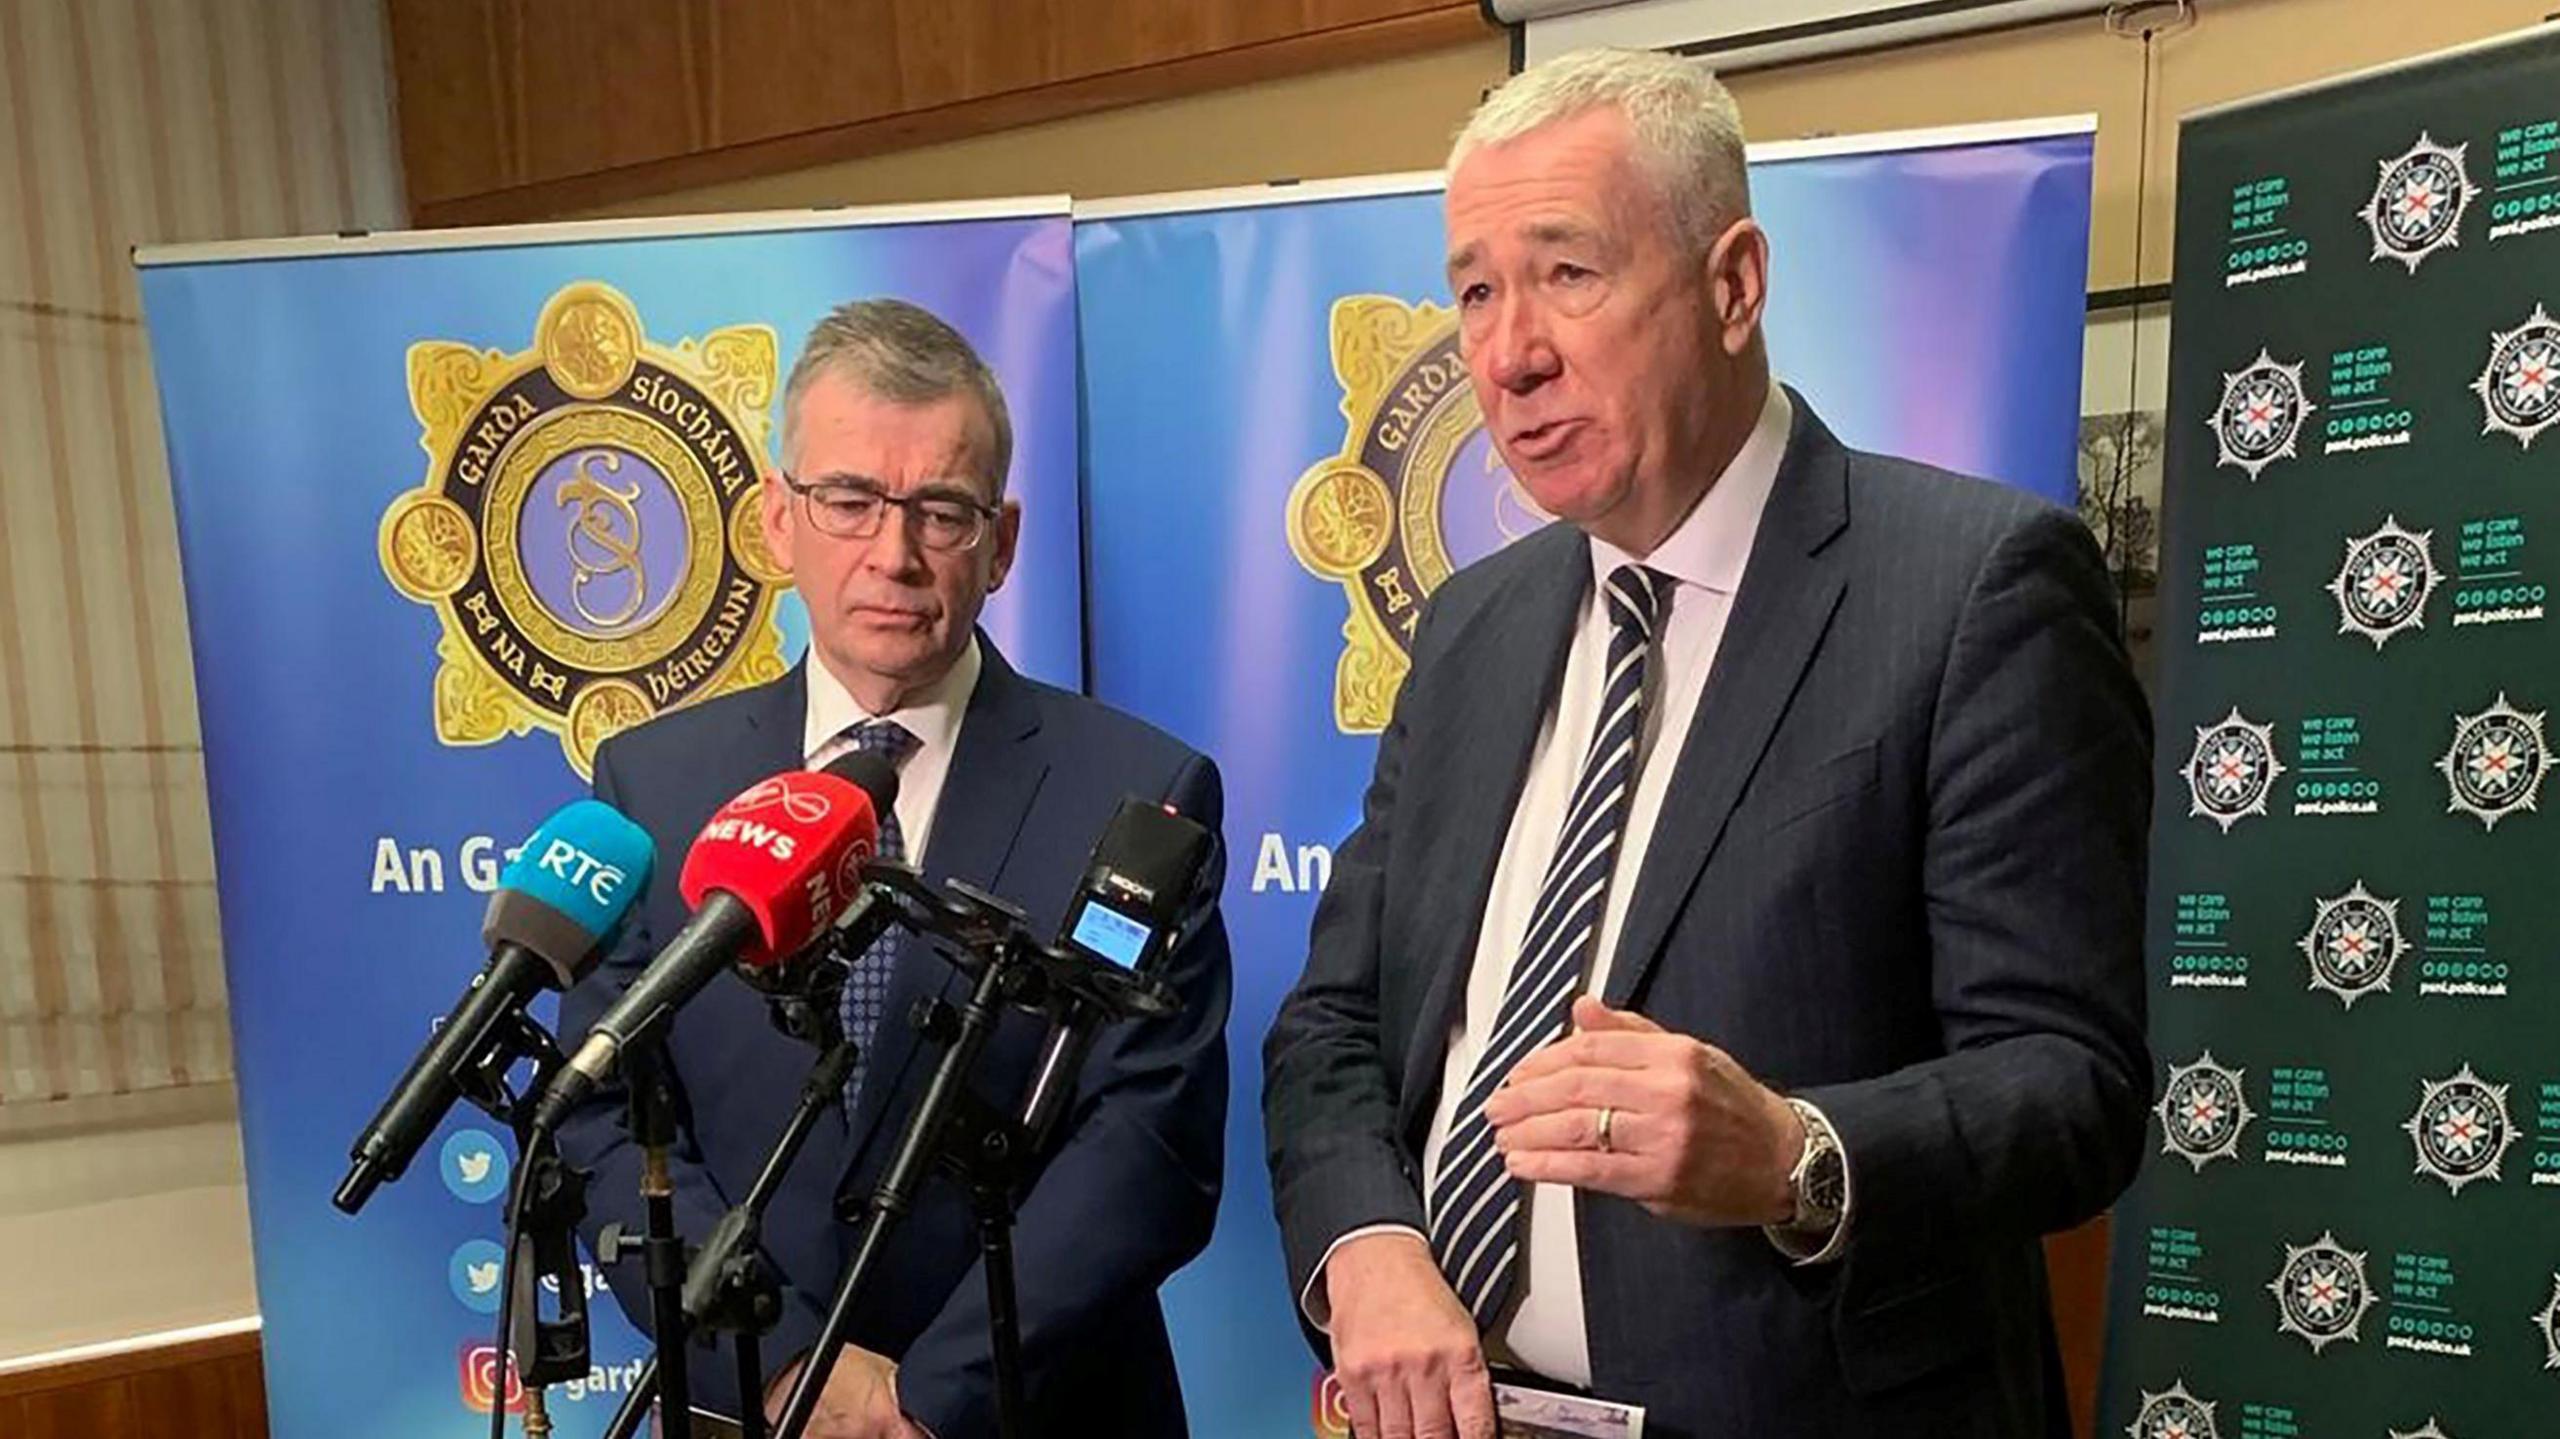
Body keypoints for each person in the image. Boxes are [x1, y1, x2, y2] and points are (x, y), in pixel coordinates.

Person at [1263, 48, 2150, 1439]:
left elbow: (2071, 1082)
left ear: (1732, 283)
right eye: (1475, 289)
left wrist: (1795, 1153)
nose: (1508, 352)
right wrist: (1365, 1244)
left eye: (1568, 272)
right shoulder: (1471, 627)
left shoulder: (1976, 585)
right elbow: (1332, 1022)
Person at [559, 298, 1230, 1439]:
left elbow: (1148, 1142)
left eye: (942, 510)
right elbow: (603, 1114)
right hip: (748, 1407)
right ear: (779, 516)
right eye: (851, 500)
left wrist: (924, 1399)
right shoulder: (651, 784)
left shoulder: (1140, 790)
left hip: (1039, 1410)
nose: (894, 552)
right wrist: (776, 1367)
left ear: (1003, 540)